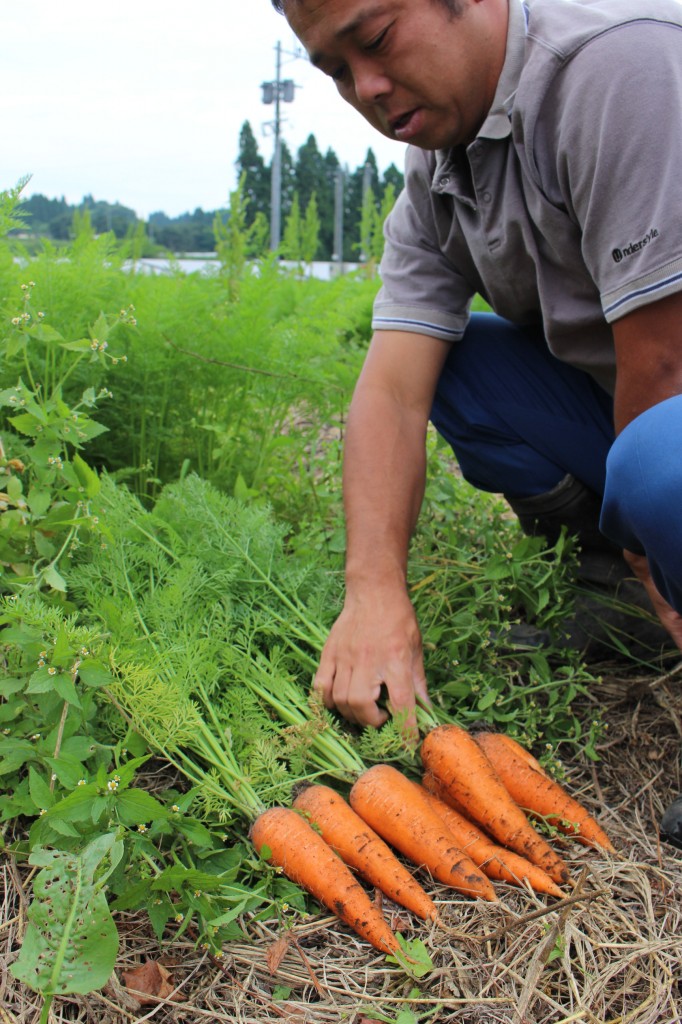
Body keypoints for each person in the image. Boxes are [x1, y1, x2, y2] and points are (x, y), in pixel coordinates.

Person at [270, 0, 682, 849]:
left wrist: (653, 537)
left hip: (669, 408)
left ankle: (656, 568)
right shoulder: (440, 175)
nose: (367, 88)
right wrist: (374, 591)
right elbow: (389, 393)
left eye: (375, 40)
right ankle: (621, 594)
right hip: (650, 426)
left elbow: (666, 364)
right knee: (461, 365)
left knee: (655, 463)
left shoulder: (618, 68)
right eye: (336, 71)